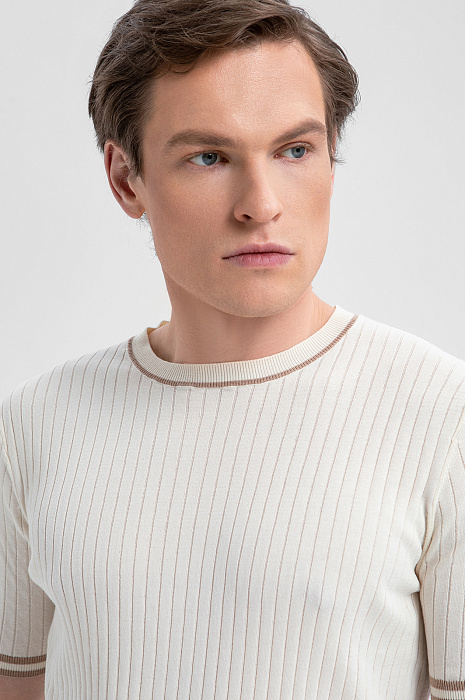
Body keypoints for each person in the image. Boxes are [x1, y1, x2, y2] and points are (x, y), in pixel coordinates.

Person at [1, 0, 464, 697]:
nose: (260, 204)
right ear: (126, 179)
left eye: (294, 150)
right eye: (209, 157)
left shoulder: (442, 416)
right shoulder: (34, 426)